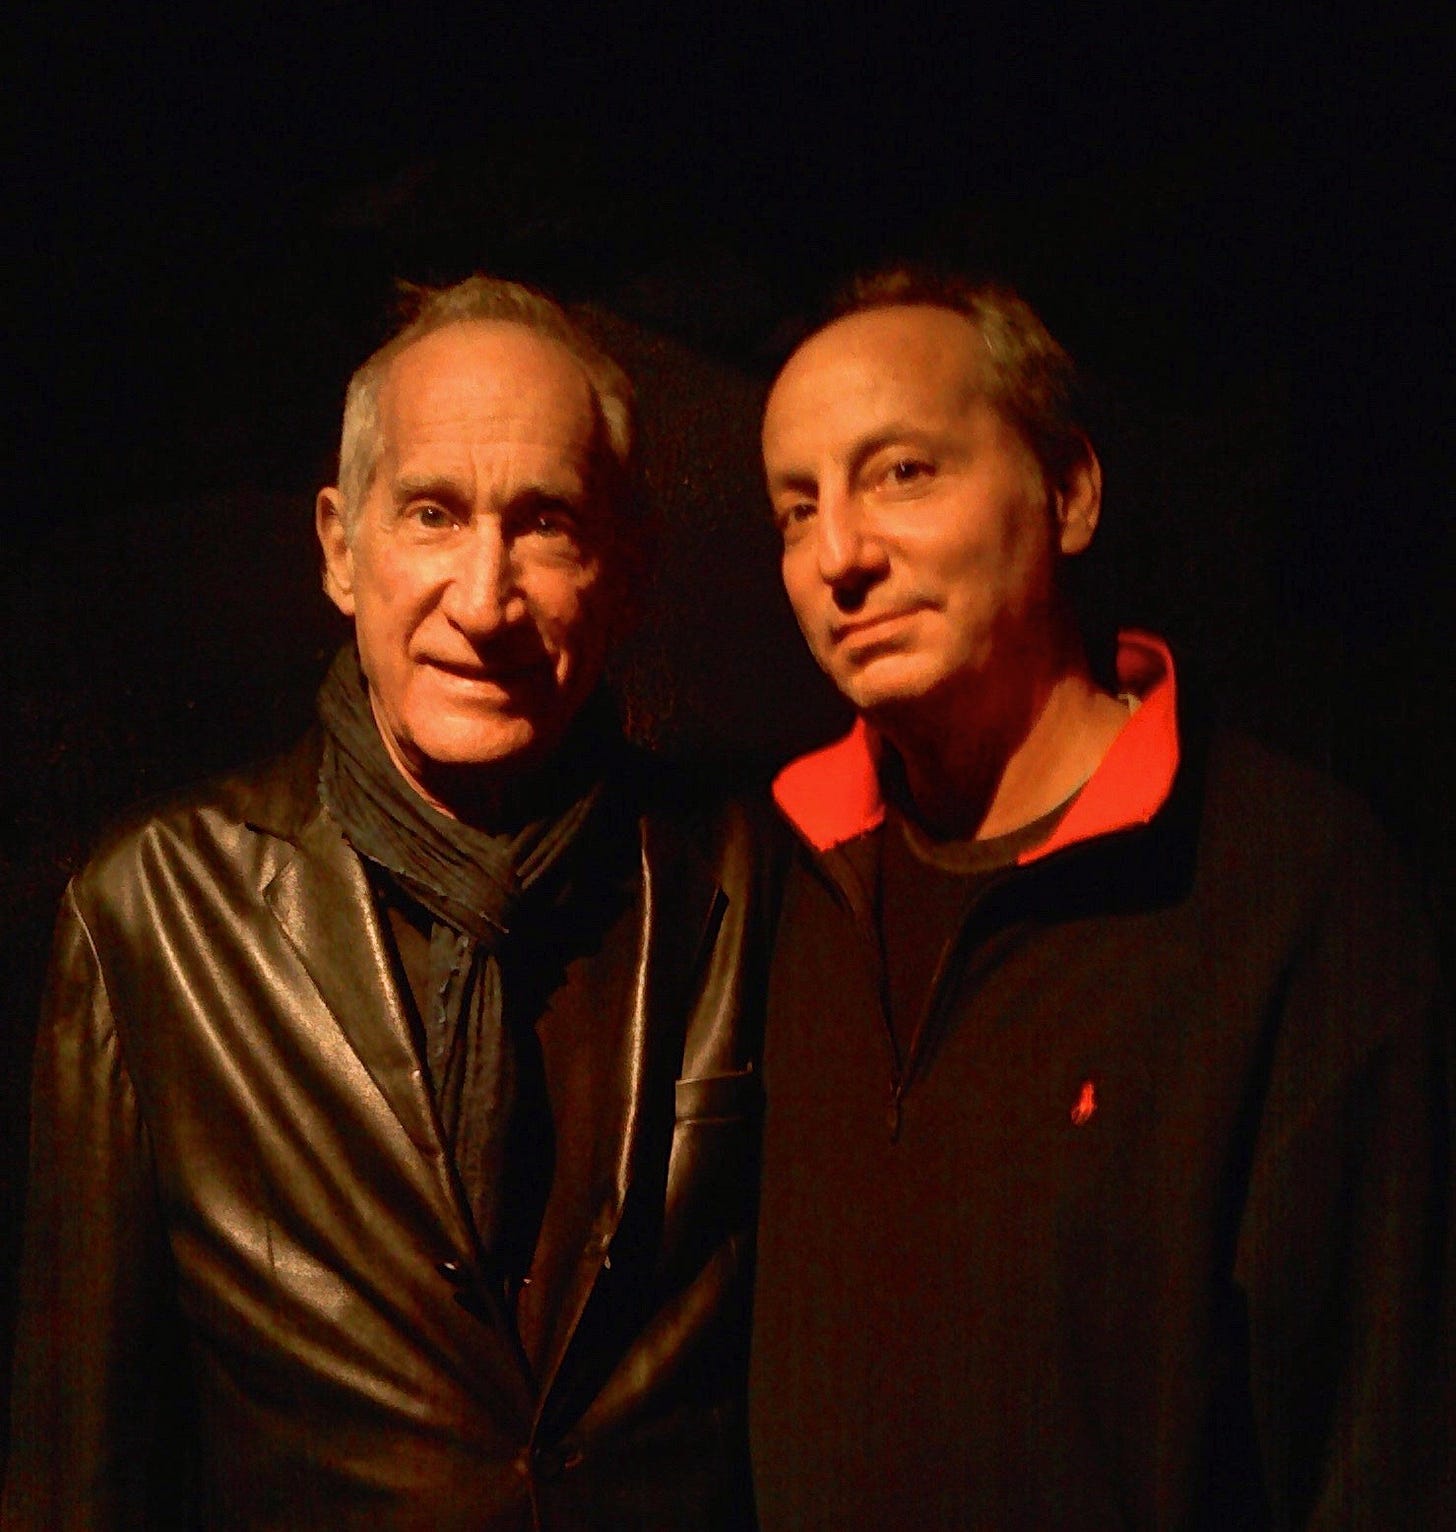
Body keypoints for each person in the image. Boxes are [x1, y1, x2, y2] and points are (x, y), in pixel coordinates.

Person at [4, 275, 774, 1530]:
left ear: (625, 569)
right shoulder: (154, 908)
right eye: (431, 513)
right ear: (338, 548)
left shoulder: (743, 869)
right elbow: (80, 1457)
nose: (483, 598)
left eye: (545, 524)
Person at [748, 268, 1451, 1528]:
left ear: (1068, 491)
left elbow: (1383, 1427)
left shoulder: (1284, 879)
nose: (839, 553)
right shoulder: (782, 879)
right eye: (798, 508)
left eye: (902, 472)